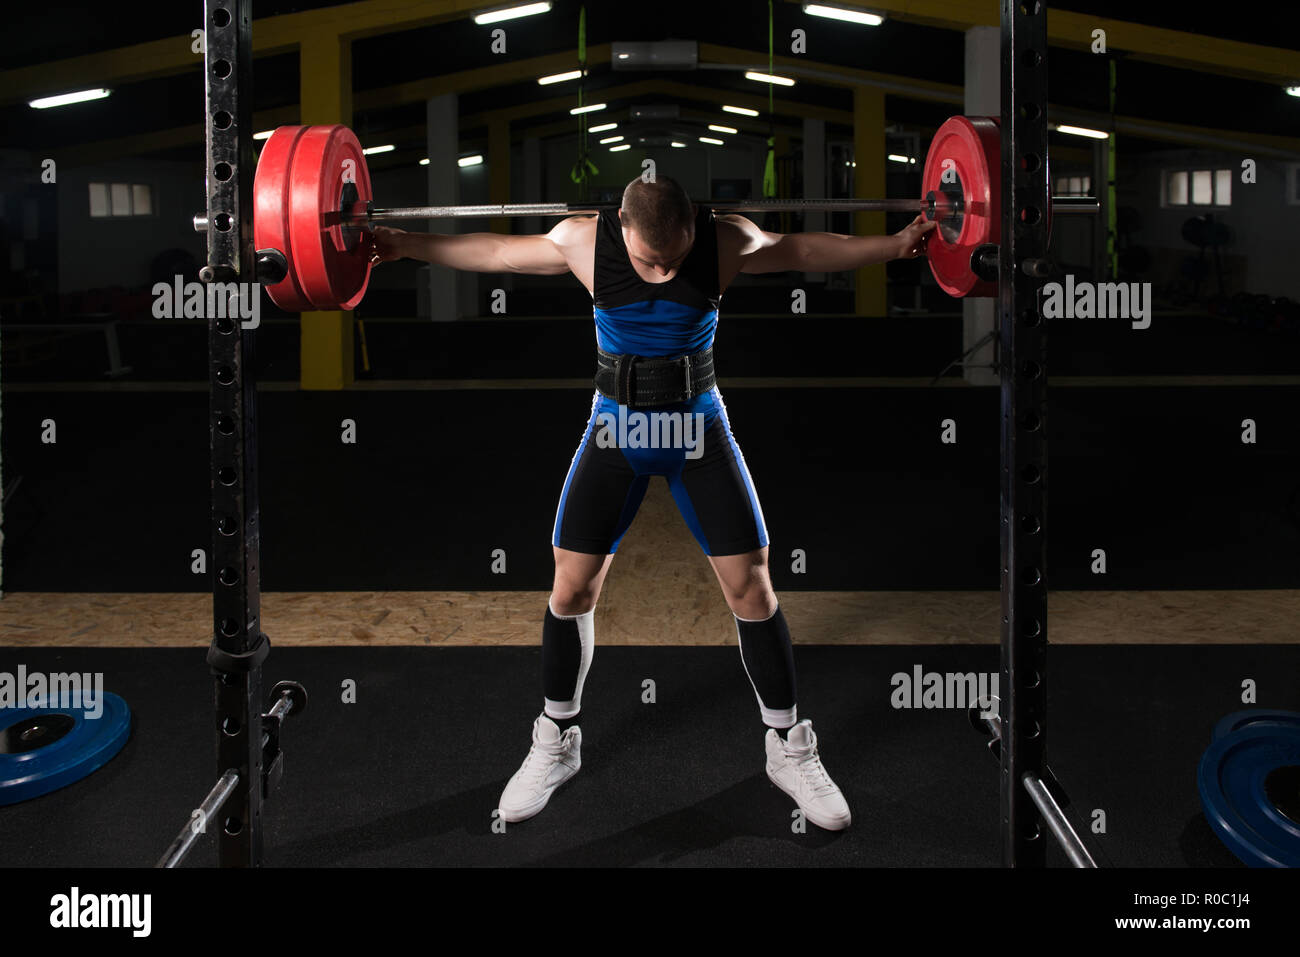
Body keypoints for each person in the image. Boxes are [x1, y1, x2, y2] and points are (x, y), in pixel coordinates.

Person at [371, 178, 935, 831]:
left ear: (693, 227)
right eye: (649, 261)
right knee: (571, 587)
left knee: (752, 587)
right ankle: (556, 740)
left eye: (673, 258)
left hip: (699, 431)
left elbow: (807, 250)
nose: (663, 270)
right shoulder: (585, 241)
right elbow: (497, 251)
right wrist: (408, 243)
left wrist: (894, 246)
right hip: (616, 432)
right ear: (623, 229)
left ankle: (786, 746)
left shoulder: (726, 239)